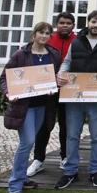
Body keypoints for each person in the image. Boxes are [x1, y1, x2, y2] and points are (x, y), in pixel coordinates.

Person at [55, 10, 97, 190]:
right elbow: (67, 62)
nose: (96, 25)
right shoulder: (76, 42)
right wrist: (61, 74)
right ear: (88, 22)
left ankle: (95, 171)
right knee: (72, 135)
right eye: (93, 21)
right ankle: (70, 171)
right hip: (74, 96)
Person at [1, 22, 61, 193]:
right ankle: (15, 185)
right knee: (26, 142)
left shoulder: (53, 55)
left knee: (31, 141)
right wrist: (9, 92)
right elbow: (5, 77)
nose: (44, 36)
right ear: (33, 34)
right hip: (24, 107)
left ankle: (23, 178)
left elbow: (54, 78)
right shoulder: (21, 54)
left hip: (43, 106)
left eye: (47, 33)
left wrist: (55, 86)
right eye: (41, 32)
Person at [27, 12, 76, 177]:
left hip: (68, 90)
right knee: (44, 126)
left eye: (68, 23)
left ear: (73, 26)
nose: (65, 25)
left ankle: (64, 157)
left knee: (66, 126)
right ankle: (38, 159)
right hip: (47, 91)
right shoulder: (49, 39)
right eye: (62, 22)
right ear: (57, 24)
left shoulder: (76, 42)